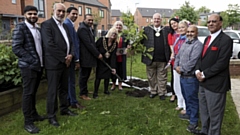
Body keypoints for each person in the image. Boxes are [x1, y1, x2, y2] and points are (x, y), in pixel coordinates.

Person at [194, 14, 233, 135]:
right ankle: (205, 131)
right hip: (203, 82)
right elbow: (201, 58)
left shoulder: (226, 40)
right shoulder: (207, 39)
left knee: (215, 114)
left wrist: (204, 74)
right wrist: (197, 71)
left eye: (214, 21)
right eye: (209, 21)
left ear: (220, 23)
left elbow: (221, 63)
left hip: (216, 84)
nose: (210, 23)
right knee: (204, 111)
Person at [41, 3, 77, 127]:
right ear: (53, 10)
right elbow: (49, 45)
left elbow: (71, 42)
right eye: (59, 11)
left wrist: (71, 55)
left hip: (66, 63)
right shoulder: (46, 25)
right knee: (52, 91)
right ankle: (51, 116)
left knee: (64, 88)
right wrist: (64, 58)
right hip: (54, 64)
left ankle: (64, 108)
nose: (61, 13)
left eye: (63, 11)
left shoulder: (65, 26)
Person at [12, 5, 44, 134]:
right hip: (28, 67)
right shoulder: (20, 28)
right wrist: (33, 60)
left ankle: (34, 114)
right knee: (28, 94)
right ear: (25, 15)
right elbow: (17, 48)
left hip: (38, 66)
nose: (33, 16)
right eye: (30, 14)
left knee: (33, 93)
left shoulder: (37, 28)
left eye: (35, 14)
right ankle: (28, 122)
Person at [174, 25, 203, 133]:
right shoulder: (185, 43)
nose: (189, 33)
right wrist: (176, 66)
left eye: (192, 32)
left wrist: (181, 69)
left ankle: (194, 121)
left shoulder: (198, 45)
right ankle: (189, 114)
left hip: (191, 78)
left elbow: (193, 62)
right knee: (186, 96)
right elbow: (178, 56)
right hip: (182, 76)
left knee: (192, 100)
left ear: (197, 33)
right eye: (188, 32)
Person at [141, 13, 171, 100]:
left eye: (158, 19)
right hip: (150, 58)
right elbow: (141, 41)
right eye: (155, 19)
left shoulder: (166, 30)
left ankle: (162, 92)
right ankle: (153, 91)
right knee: (151, 76)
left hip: (163, 58)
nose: (156, 20)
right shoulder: (146, 29)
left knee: (162, 77)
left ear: (161, 20)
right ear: (152, 20)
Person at [63, 7, 85, 109]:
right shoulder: (67, 24)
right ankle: (73, 102)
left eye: (77, 14)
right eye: (73, 14)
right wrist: (76, 59)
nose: (75, 16)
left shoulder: (70, 24)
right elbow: (72, 43)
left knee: (69, 81)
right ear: (68, 13)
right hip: (71, 58)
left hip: (71, 57)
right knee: (71, 81)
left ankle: (69, 100)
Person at [77, 14, 102, 100]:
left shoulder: (88, 28)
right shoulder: (82, 29)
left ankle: (85, 91)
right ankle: (82, 94)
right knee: (84, 76)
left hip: (88, 57)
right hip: (85, 57)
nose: (91, 22)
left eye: (92, 20)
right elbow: (89, 44)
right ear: (84, 19)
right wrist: (97, 54)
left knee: (86, 75)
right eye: (89, 20)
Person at [93, 28, 118, 98]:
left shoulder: (115, 44)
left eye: (115, 34)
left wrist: (113, 67)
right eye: (113, 33)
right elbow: (95, 48)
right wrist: (98, 54)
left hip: (108, 62)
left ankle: (106, 90)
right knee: (98, 77)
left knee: (107, 77)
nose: (114, 35)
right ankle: (95, 92)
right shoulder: (102, 40)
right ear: (109, 33)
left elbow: (113, 56)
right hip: (100, 61)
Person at [172, 20, 189, 114]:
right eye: (179, 28)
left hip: (184, 66)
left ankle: (187, 106)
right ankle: (180, 103)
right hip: (176, 64)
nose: (181, 29)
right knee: (177, 85)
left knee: (185, 86)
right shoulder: (178, 38)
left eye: (183, 27)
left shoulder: (188, 39)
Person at [111, 21, 130, 91]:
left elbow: (128, 43)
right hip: (113, 56)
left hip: (121, 56)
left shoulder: (124, 35)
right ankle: (113, 84)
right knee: (113, 69)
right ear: (114, 26)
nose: (118, 27)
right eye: (117, 25)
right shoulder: (112, 33)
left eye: (120, 25)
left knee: (121, 70)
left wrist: (128, 45)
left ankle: (120, 85)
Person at [167, 17, 179, 102]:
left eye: (174, 23)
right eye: (171, 24)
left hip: (184, 58)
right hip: (175, 58)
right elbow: (171, 46)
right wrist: (173, 53)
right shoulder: (170, 35)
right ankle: (173, 94)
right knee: (174, 77)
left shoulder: (184, 33)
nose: (173, 25)